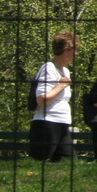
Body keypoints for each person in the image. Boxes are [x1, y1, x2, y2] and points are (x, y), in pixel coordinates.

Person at [30, 30, 78, 162]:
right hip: (47, 124)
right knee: (40, 164)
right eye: (74, 49)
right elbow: (41, 100)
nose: (76, 53)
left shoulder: (65, 71)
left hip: (63, 124)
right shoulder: (48, 69)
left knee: (69, 164)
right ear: (65, 49)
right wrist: (61, 85)